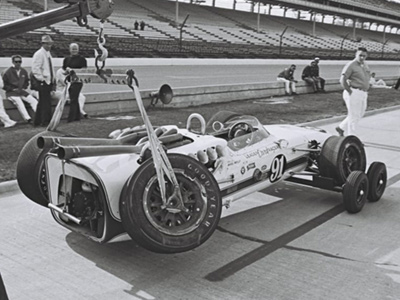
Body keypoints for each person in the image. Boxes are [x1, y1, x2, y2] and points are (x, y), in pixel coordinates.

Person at [336, 47, 370, 137]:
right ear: (356, 55)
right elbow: (342, 79)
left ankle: (341, 127)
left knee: (360, 114)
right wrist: (350, 91)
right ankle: (352, 137)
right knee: (354, 116)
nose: (362, 58)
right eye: (360, 55)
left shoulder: (364, 65)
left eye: (364, 56)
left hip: (363, 93)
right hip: (354, 91)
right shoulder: (351, 65)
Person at [2, 55, 37, 123]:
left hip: (21, 92)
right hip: (11, 93)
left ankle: (38, 116)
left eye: (19, 61)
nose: (18, 63)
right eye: (16, 62)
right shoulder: (7, 72)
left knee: (33, 100)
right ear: (13, 62)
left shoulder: (23, 71)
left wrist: (24, 87)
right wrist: (12, 89)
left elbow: (26, 81)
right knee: (19, 102)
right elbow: (3, 85)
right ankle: (28, 119)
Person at [31, 35, 55, 126]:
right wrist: (42, 79)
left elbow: (50, 68)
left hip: (48, 81)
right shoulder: (39, 54)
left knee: (43, 102)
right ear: (43, 44)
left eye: (50, 44)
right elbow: (35, 69)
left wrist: (52, 80)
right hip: (43, 82)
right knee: (45, 102)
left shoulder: (48, 54)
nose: (49, 46)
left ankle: (38, 121)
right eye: (47, 44)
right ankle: (45, 121)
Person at [60, 42, 88, 118]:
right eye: (73, 49)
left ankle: (72, 117)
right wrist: (67, 71)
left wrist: (73, 70)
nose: (74, 50)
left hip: (78, 81)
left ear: (78, 50)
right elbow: (64, 70)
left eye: (75, 49)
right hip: (69, 81)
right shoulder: (66, 59)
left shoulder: (82, 59)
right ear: (70, 50)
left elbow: (84, 70)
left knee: (73, 98)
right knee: (74, 98)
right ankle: (76, 116)